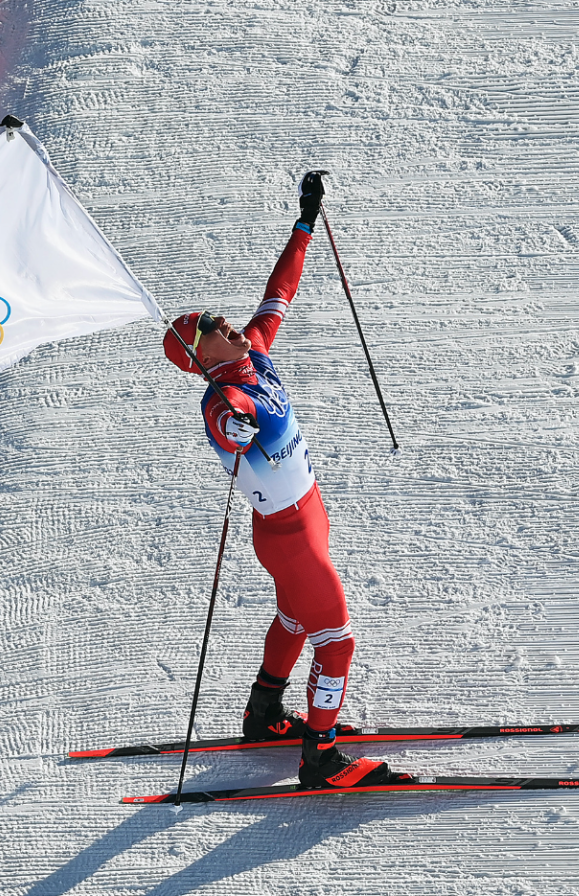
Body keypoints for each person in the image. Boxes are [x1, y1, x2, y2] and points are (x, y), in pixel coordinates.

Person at [162, 173, 407, 789]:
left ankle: (264, 711)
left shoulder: (254, 354)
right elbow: (226, 421)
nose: (229, 322)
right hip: (288, 534)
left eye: (223, 318)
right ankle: (319, 759)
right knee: (338, 643)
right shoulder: (224, 397)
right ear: (203, 354)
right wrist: (233, 423)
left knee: (297, 622)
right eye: (214, 325)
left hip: (303, 518)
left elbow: (280, 291)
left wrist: (304, 224)